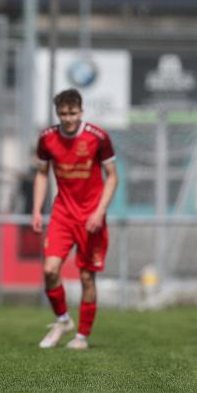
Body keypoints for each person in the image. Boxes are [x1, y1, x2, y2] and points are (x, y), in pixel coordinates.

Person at [31, 88, 118, 350]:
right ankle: (63, 319)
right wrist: (36, 209)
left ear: (81, 111)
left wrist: (100, 211)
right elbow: (42, 174)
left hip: (91, 217)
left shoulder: (98, 137)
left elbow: (112, 176)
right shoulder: (47, 138)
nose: (68, 118)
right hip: (63, 214)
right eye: (63, 113)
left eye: (73, 113)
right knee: (49, 270)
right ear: (58, 113)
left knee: (86, 278)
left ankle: (82, 336)